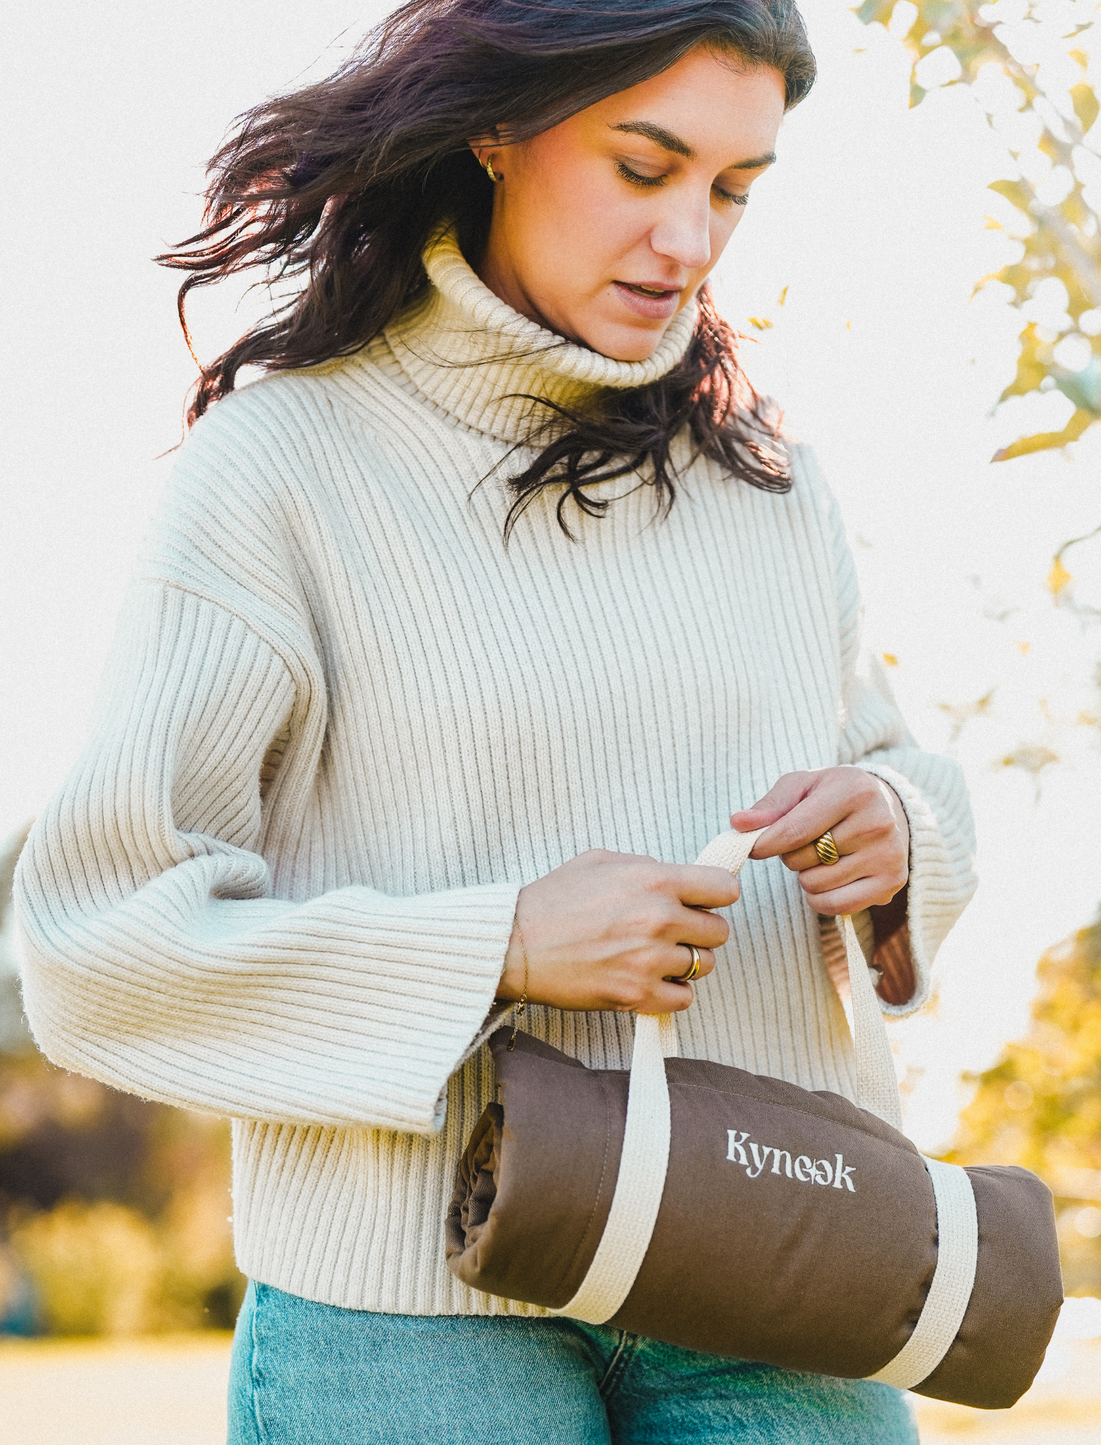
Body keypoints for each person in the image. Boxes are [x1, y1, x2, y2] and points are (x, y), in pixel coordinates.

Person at [15, 2, 977, 1440]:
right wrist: (503, 947)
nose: (691, 242)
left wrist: (898, 835)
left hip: (776, 1268)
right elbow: (95, 944)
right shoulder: (283, 472)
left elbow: (894, 768)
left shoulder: (772, 483)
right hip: (412, 1308)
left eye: (733, 189)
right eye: (643, 169)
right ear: (499, 132)